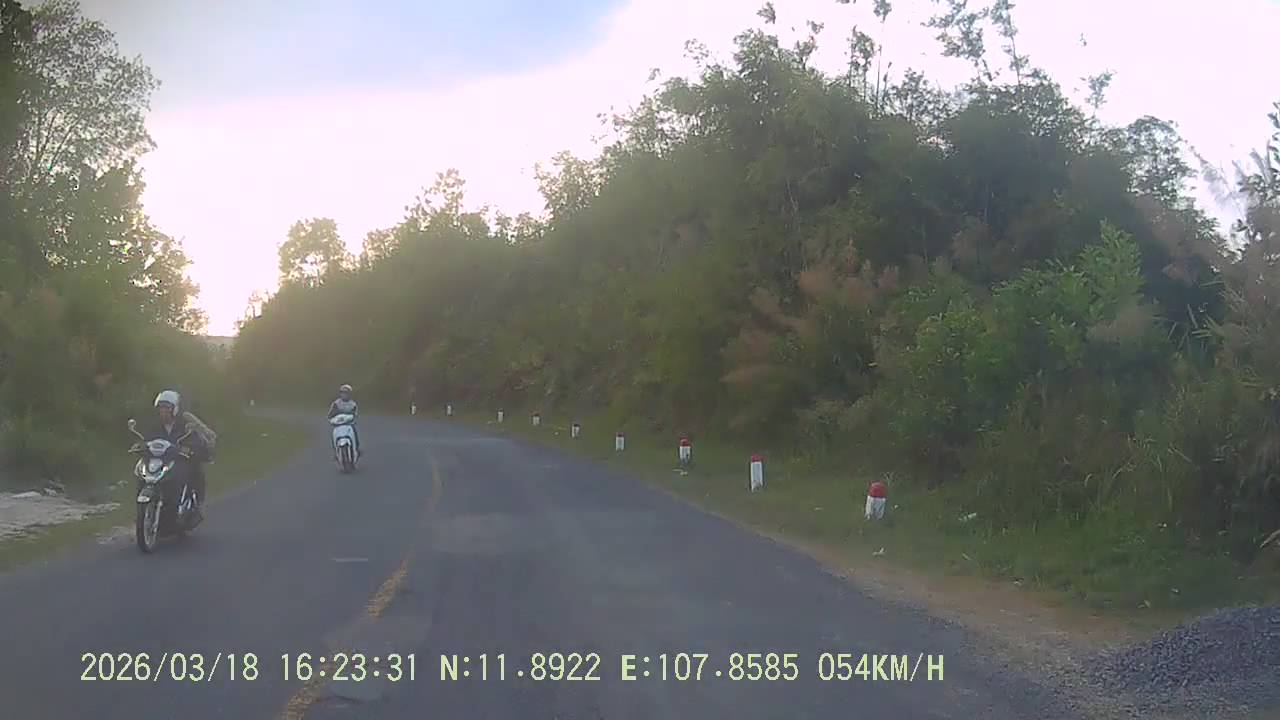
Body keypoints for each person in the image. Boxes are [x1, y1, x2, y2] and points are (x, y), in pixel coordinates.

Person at [139, 390, 210, 519]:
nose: (163, 411)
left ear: (175, 409)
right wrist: (141, 446)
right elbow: (146, 439)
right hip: (159, 461)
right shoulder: (154, 425)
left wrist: (189, 448)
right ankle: (142, 509)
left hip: (178, 460)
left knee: (193, 470)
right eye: (161, 408)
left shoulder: (186, 425)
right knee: (140, 471)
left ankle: (197, 505)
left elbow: (196, 440)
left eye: (167, 408)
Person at [327, 384, 360, 457]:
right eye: (342, 393)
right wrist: (331, 419)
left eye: (346, 393)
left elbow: (355, 414)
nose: (344, 395)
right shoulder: (336, 403)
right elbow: (330, 414)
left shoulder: (352, 404)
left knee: (355, 433)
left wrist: (353, 419)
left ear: (349, 394)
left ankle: (356, 448)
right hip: (338, 425)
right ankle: (336, 451)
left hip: (349, 424)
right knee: (333, 435)